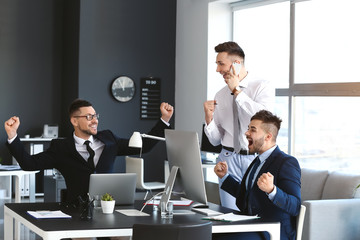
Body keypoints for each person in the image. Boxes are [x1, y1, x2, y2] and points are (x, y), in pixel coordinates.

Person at [4, 99, 174, 205]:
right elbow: (29, 164)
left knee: (122, 235)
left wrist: (164, 120)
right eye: (89, 117)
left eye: (95, 116)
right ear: (74, 121)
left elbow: (144, 146)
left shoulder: (109, 140)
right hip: (77, 211)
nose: (95, 121)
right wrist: (13, 136)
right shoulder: (61, 148)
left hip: (108, 207)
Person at [203, 41, 274, 210]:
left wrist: (237, 92)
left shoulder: (262, 87)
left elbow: (264, 120)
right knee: (230, 214)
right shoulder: (220, 94)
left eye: (221, 64)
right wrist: (209, 119)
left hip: (255, 159)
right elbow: (214, 141)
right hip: (227, 159)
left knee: (255, 210)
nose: (218, 70)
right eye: (217, 64)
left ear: (236, 64)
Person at [213, 110, 301, 240]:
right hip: (252, 226)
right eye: (248, 129)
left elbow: (295, 206)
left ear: (268, 136)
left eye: (252, 130)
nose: (246, 133)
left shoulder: (287, 162)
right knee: (208, 233)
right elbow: (249, 195)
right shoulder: (257, 160)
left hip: (271, 232)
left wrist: (272, 191)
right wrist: (225, 177)